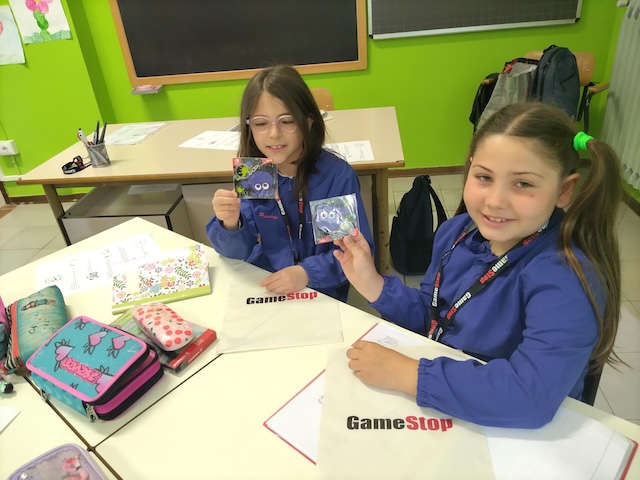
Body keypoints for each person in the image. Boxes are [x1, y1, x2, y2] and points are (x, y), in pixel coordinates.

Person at [334, 102, 623, 428]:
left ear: (564, 190)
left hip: (509, 428)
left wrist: (408, 374)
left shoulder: (567, 278)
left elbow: (531, 397)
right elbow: (435, 315)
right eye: (484, 177)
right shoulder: (455, 233)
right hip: (452, 397)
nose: (495, 201)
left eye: (523, 184)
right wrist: (372, 284)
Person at [206, 65, 374, 302]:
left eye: (287, 121)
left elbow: (350, 253)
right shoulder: (255, 173)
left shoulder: (334, 177)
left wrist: (307, 273)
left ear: (308, 121)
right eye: (261, 123)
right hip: (267, 285)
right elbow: (236, 252)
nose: (274, 134)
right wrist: (230, 224)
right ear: (248, 127)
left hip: (321, 291)